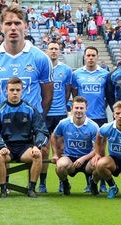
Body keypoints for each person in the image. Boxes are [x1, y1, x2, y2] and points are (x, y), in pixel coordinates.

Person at [0, 5, 53, 118]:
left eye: (17, 23)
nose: (13, 28)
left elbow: (48, 98)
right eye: (8, 24)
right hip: (2, 129)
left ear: (26, 26)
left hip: (31, 128)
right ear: (1, 27)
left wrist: (37, 123)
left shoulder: (41, 59)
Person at [0, 77, 49, 198]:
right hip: (6, 146)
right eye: (11, 90)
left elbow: (41, 130)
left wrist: (37, 145)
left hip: (25, 147)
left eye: (17, 90)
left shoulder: (30, 109)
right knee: (0, 157)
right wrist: (1, 147)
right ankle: (3, 189)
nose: (14, 92)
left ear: (22, 91)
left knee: (38, 155)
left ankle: (31, 189)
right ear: (6, 91)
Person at [71, 46, 109, 193]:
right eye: (88, 55)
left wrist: (100, 107)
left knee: (101, 150)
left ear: (97, 57)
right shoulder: (77, 74)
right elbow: (76, 95)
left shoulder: (105, 74)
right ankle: (89, 182)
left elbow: (107, 95)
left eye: (93, 55)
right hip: (84, 118)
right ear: (84, 57)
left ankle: (103, 180)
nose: (91, 58)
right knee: (87, 149)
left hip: (99, 116)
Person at [38, 41, 72, 193]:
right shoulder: (41, 69)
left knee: (60, 149)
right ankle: (42, 182)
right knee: (43, 149)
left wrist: (62, 107)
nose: (53, 51)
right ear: (46, 51)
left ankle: (61, 180)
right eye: (51, 48)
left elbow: (67, 91)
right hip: (44, 114)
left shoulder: (66, 70)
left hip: (59, 114)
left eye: (56, 49)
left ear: (59, 51)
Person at [52, 96, 99, 196]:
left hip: (87, 160)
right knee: (60, 166)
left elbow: (97, 149)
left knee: (98, 164)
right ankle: (65, 184)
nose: (79, 111)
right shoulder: (64, 123)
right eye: (76, 108)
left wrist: (83, 158)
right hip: (70, 158)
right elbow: (54, 136)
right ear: (72, 108)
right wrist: (56, 154)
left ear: (86, 108)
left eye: (81, 108)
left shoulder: (93, 126)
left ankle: (93, 184)